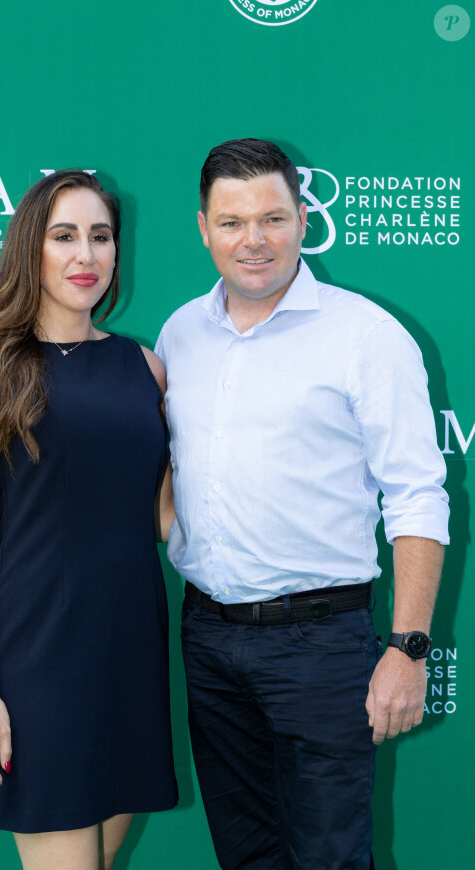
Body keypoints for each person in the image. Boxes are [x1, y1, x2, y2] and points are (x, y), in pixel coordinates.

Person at [155, 139, 449, 869]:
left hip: (321, 645)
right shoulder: (179, 333)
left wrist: (410, 648)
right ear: (203, 228)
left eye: (272, 218)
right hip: (209, 640)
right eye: (231, 222)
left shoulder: (366, 336)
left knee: (329, 857)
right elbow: (158, 470)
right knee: (247, 855)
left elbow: (417, 496)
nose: (253, 240)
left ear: (303, 219)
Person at [0, 170, 178, 870]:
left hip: (130, 651)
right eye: (64, 236)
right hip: (40, 658)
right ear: (29, 250)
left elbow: (165, 517)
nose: (86, 256)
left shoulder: (147, 369)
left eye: (100, 237)